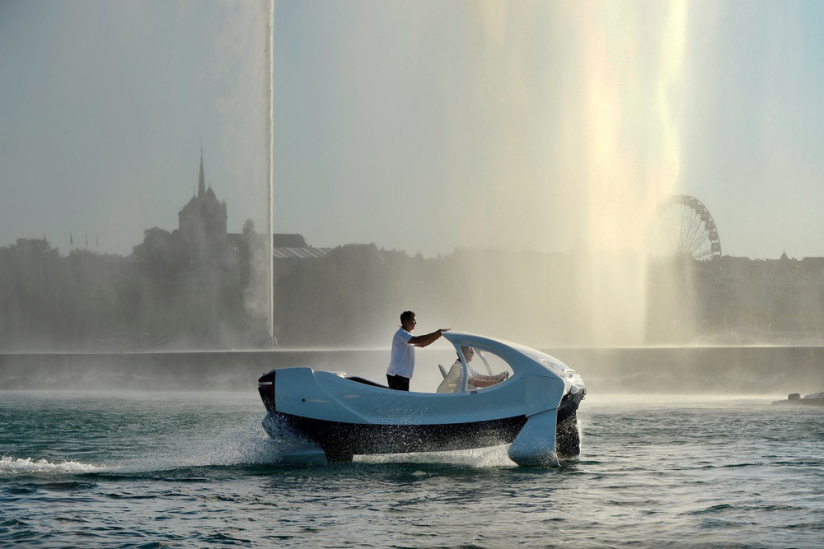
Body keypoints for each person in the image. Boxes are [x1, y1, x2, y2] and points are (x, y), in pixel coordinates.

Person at [386, 311, 449, 391]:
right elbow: (417, 340)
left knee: (403, 399)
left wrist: (437, 336)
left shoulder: (407, 336)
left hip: (402, 375)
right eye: (413, 320)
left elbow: (422, 344)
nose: (416, 323)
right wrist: (435, 333)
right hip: (397, 375)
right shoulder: (401, 334)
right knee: (402, 401)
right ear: (406, 322)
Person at [436, 346, 508, 393]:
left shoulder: (465, 365)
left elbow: (480, 377)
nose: (473, 354)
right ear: (463, 354)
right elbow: (476, 382)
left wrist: (497, 377)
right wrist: (496, 382)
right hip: (464, 400)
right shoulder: (459, 368)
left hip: (470, 397)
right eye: (471, 352)